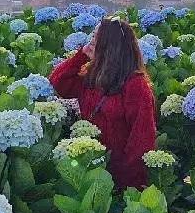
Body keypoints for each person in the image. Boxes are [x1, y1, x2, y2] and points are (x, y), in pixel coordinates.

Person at [49, 17, 156, 189]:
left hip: (118, 179)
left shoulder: (135, 85)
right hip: (88, 169)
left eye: (96, 37)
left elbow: (142, 140)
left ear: (108, 45)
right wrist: (81, 55)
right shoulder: (91, 76)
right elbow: (57, 82)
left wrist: (125, 183)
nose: (91, 40)